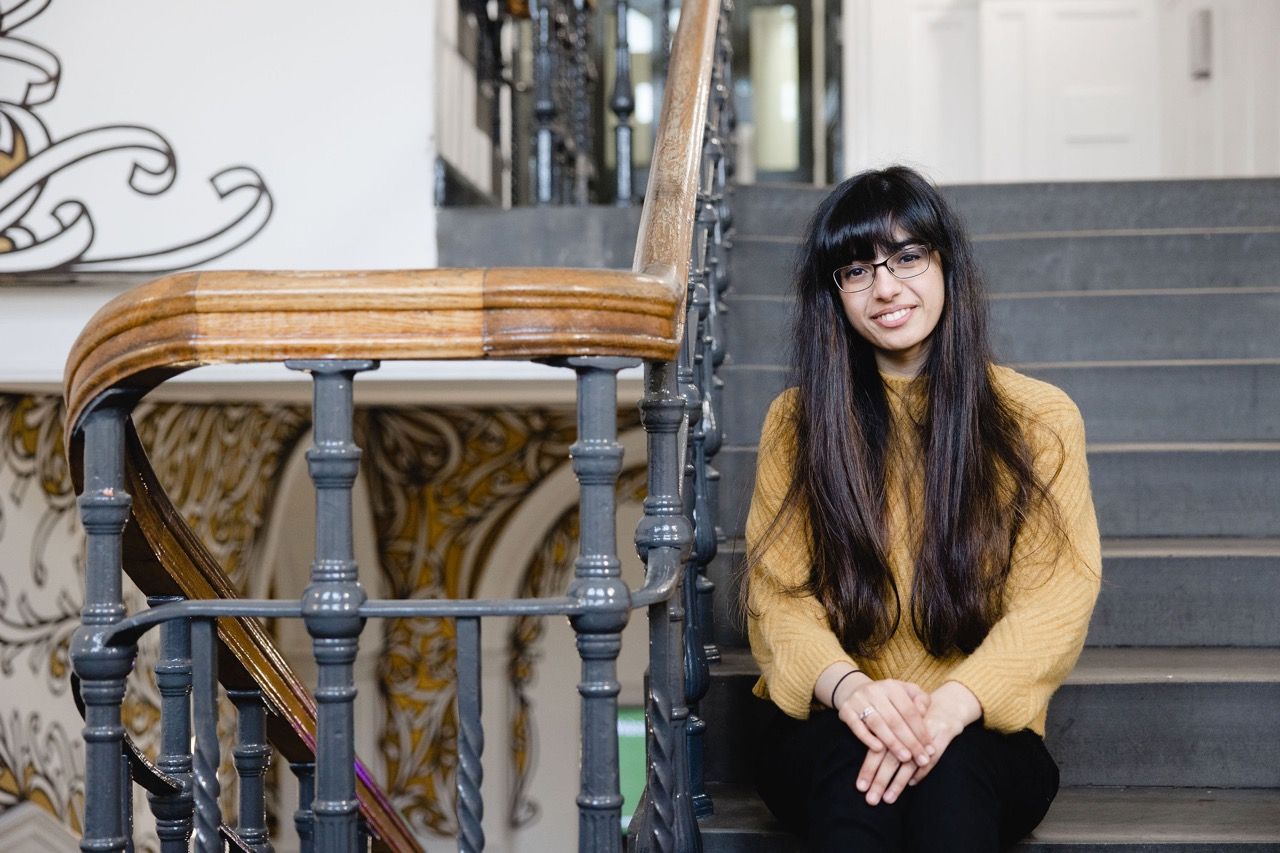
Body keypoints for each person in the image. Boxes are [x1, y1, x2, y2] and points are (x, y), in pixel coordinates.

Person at [744, 166, 1102, 852]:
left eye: (907, 256)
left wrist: (948, 709)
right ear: (834, 294)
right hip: (831, 719)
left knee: (953, 780)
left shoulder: (1040, 420)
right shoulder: (796, 422)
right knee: (854, 771)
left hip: (982, 726)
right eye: (855, 269)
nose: (885, 287)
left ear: (946, 263)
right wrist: (851, 691)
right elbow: (777, 598)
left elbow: (1054, 601)